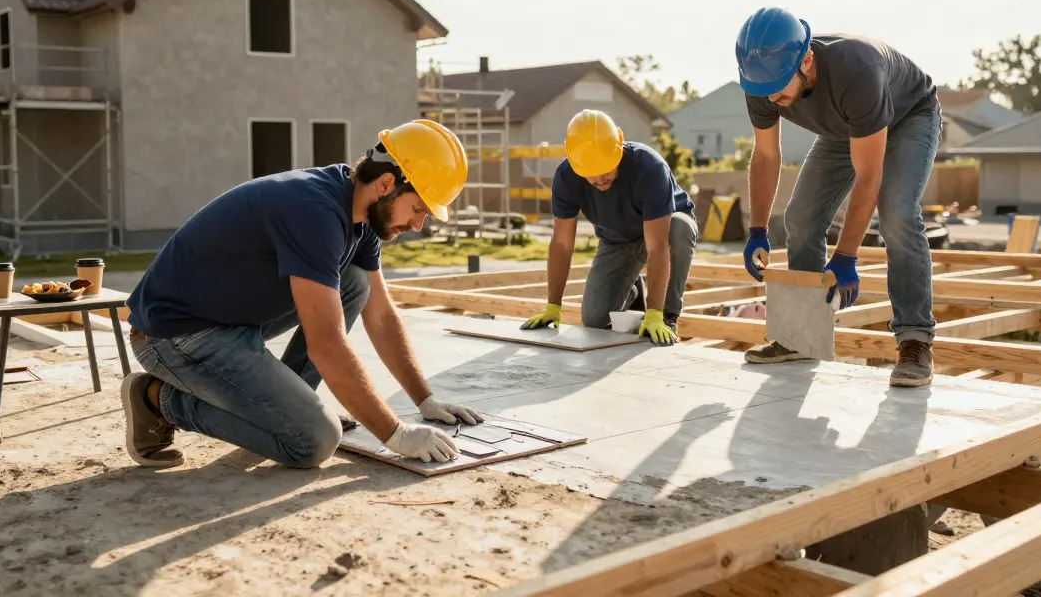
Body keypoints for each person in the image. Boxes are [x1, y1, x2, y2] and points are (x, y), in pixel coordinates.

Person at [120, 119, 486, 469]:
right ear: (386, 183)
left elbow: (381, 315)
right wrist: (396, 433)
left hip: (229, 321)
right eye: (418, 209)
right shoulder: (314, 212)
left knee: (355, 281)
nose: (418, 224)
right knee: (313, 440)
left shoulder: (361, 214)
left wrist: (424, 399)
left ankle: (292, 407)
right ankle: (155, 400)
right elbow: (326, 344)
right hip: (175, 334)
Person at [735, 7, 942, 387]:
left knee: (897, 213)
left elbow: (869, 175)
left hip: (908, 117)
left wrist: (846, 256)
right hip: (845, 126)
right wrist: (757, 230)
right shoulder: (761, 83)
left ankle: (915, 340)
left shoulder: (857, 69)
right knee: (800, 217)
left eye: (778, 86)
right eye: (764, 89)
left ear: (806, 61)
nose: (772, 97)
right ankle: (801, 337)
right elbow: (765, 156)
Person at [519, 109, 698, 346]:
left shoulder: (649, 167)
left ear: (619, 146)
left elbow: (657, 246)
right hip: (617, 239)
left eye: (606, 169)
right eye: (591, 175)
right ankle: (633, 288)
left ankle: (668, 315)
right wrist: (553, 306)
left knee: (680, 227)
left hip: (663, 231)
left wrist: (655, 313)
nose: (600, 179)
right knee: (595, 320)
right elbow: (562, 244)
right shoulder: (566, 177)